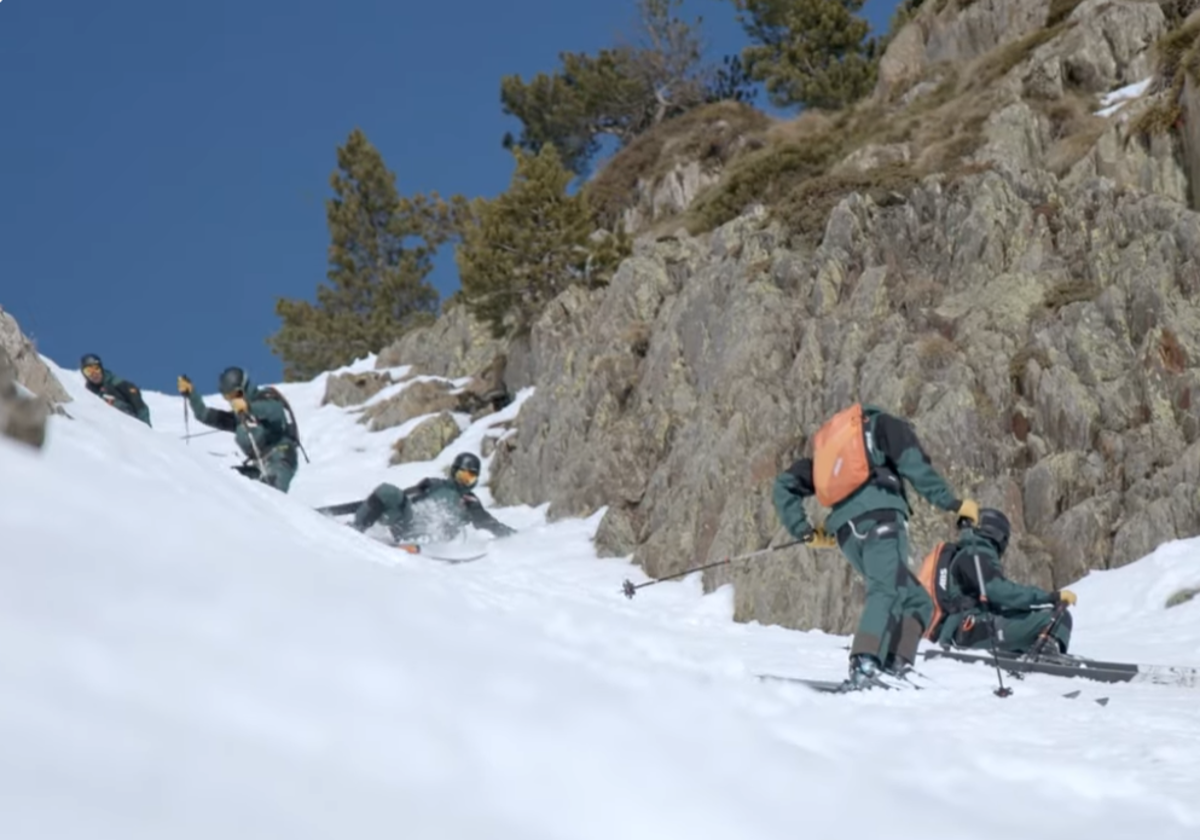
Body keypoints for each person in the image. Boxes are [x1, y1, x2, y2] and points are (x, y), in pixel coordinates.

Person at [772, 403, 980, 691]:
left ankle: (896, 665)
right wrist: (954, 504)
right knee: (886, 590)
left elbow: (783, 485)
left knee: (916, 599)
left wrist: (805, 531)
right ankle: (865, 664)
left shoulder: (832, 455)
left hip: (847, 535)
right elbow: (916, 466)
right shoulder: (885, 426)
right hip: (882, 518)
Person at [920, 507, 1076, 657]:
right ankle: (1047, 652)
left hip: (967, 630)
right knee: (1056, 618)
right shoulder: (975, 553)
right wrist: (1049, 597)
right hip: (971, 631)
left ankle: (1045, 648)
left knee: (1042, 620)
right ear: (999, 536)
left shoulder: (968, 554)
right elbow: (998, 591)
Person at [178, 366, 300, 493]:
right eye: (228, 397)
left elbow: (273, 410)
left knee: (273, 492)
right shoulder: (239, 417)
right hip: (259, 465)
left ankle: (287, 512)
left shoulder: (266, 399)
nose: (233, 400)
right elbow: (204, 414)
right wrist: (191, 394)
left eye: (236, 394)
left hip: (281, 457)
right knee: (231, 482)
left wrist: (249, 408)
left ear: (245, 388)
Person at [352, 451, 517, 544]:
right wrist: (381, 503)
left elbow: (492, 525)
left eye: (470, 478)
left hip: (434, 536)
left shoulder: (470, 502)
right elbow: (407, 496)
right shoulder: (434, 483)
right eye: (462, 475)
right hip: (406, 523)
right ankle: (354, 530)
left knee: (452, 502)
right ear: (454, 472)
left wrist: (517, 538)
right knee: (387, 490)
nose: (465, 482)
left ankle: (424, 541)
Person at [80, 353, 151, 426]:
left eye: (96, 369)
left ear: (101, 369)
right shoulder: (88, 393)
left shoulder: (117, 383)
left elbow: (139, 405)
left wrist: (146, 427)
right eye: (88, 371)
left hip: (131, 424)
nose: (94, 374)